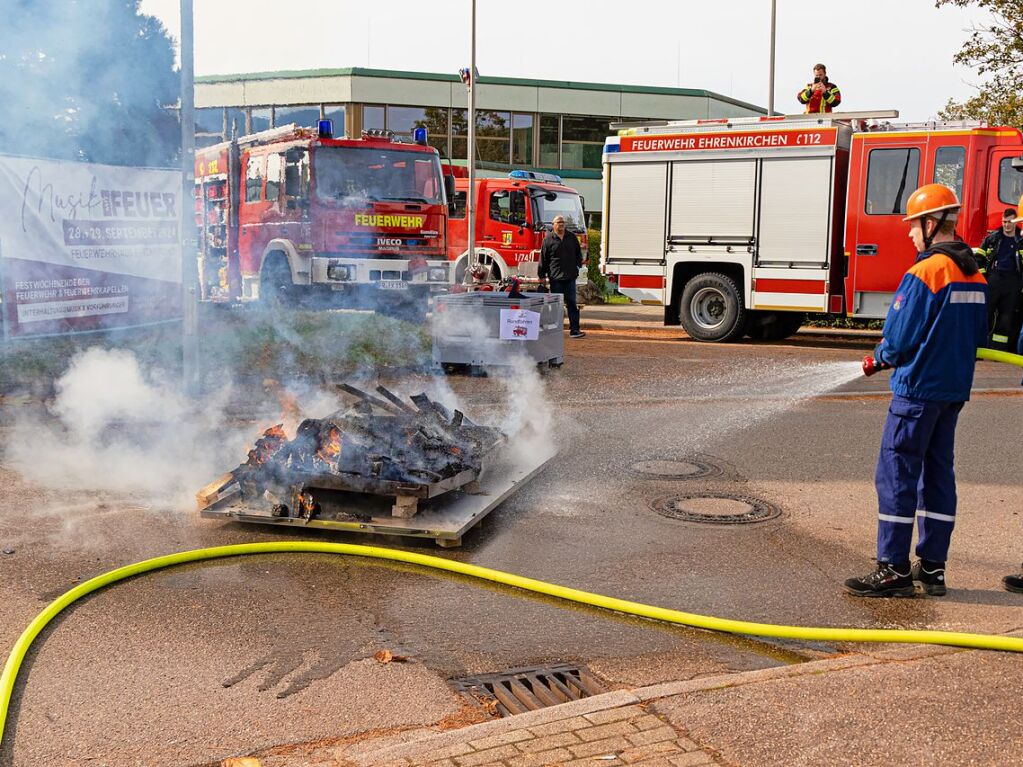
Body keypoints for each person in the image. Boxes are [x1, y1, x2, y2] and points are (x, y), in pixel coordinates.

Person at [845, 184, 988, 598]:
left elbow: (900, 337)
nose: (909, 234)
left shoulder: (925, 272)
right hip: (951, 393)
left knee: (896, 474)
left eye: (913, 226)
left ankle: (892, 568)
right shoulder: (973, 273)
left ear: (930, 224)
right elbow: (978, 332)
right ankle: (933, 567)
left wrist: (879, 357)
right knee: (938, 474)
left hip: (917, 391)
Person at [973, 206, 1023, 350]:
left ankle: (998, 350)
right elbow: (979, 258)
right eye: (1004, 222)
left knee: (1006, 316)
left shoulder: (1021, 240)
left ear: (1016, 222)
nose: (1006, 225)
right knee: (985, 313)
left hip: (1013, 282)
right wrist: (984, 278)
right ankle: (980, 346)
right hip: (994, 280)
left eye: (1009, 222)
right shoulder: (992, 238)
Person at [539, 215, 586, 339]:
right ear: (553, 224)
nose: (561, 224)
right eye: (559, 222)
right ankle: (556, 331)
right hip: (555, 278)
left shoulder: (572, 237)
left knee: (572, 303)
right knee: (556, 305)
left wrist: (578, 265)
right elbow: (543, 259)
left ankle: (574, 330)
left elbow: (578, 254)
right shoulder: (548, 239)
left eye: (563, 222)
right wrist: (541, 275)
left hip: (570, 276)